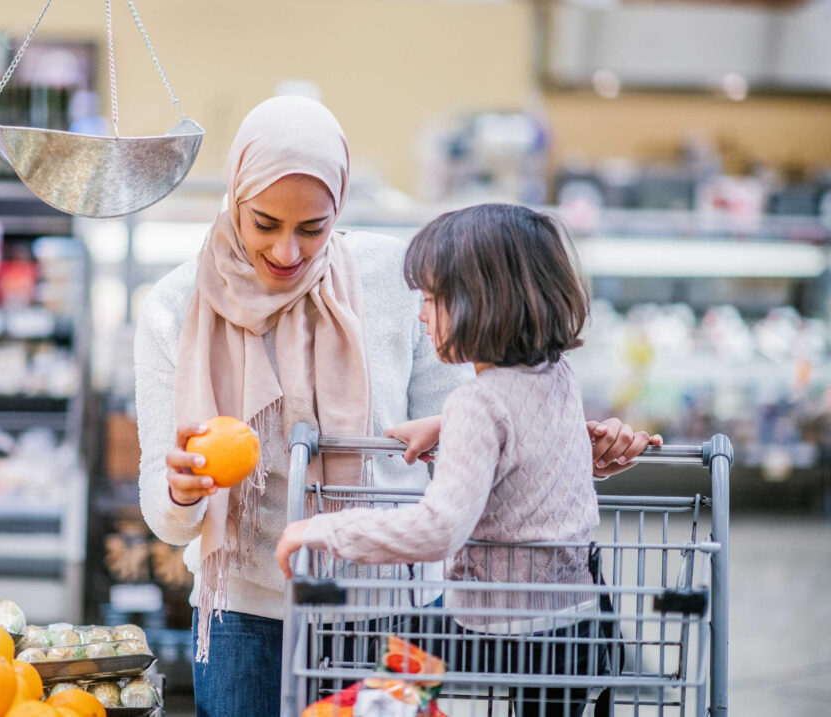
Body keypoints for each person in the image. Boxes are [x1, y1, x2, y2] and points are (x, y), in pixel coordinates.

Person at [136, 97, 656, 717]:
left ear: (340, 207)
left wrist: (563, 446)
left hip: (394, 609)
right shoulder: (175, 307)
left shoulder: (397, 280)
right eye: (264, 223)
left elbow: (475, 440)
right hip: (244, 616)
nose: (286, 253)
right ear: (235, 198)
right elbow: (164, 518)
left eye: (313, 228)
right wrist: (182, 491)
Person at [277, 203, 641, 716]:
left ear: (481, 302)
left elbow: (438, 529)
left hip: (502, 627)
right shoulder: (557, 375)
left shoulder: (476, 401)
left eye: (431, 298)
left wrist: (323, 531)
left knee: (388, 672)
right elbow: (525, 436)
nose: (420, 313)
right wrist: (446, 426)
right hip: (575, 626)